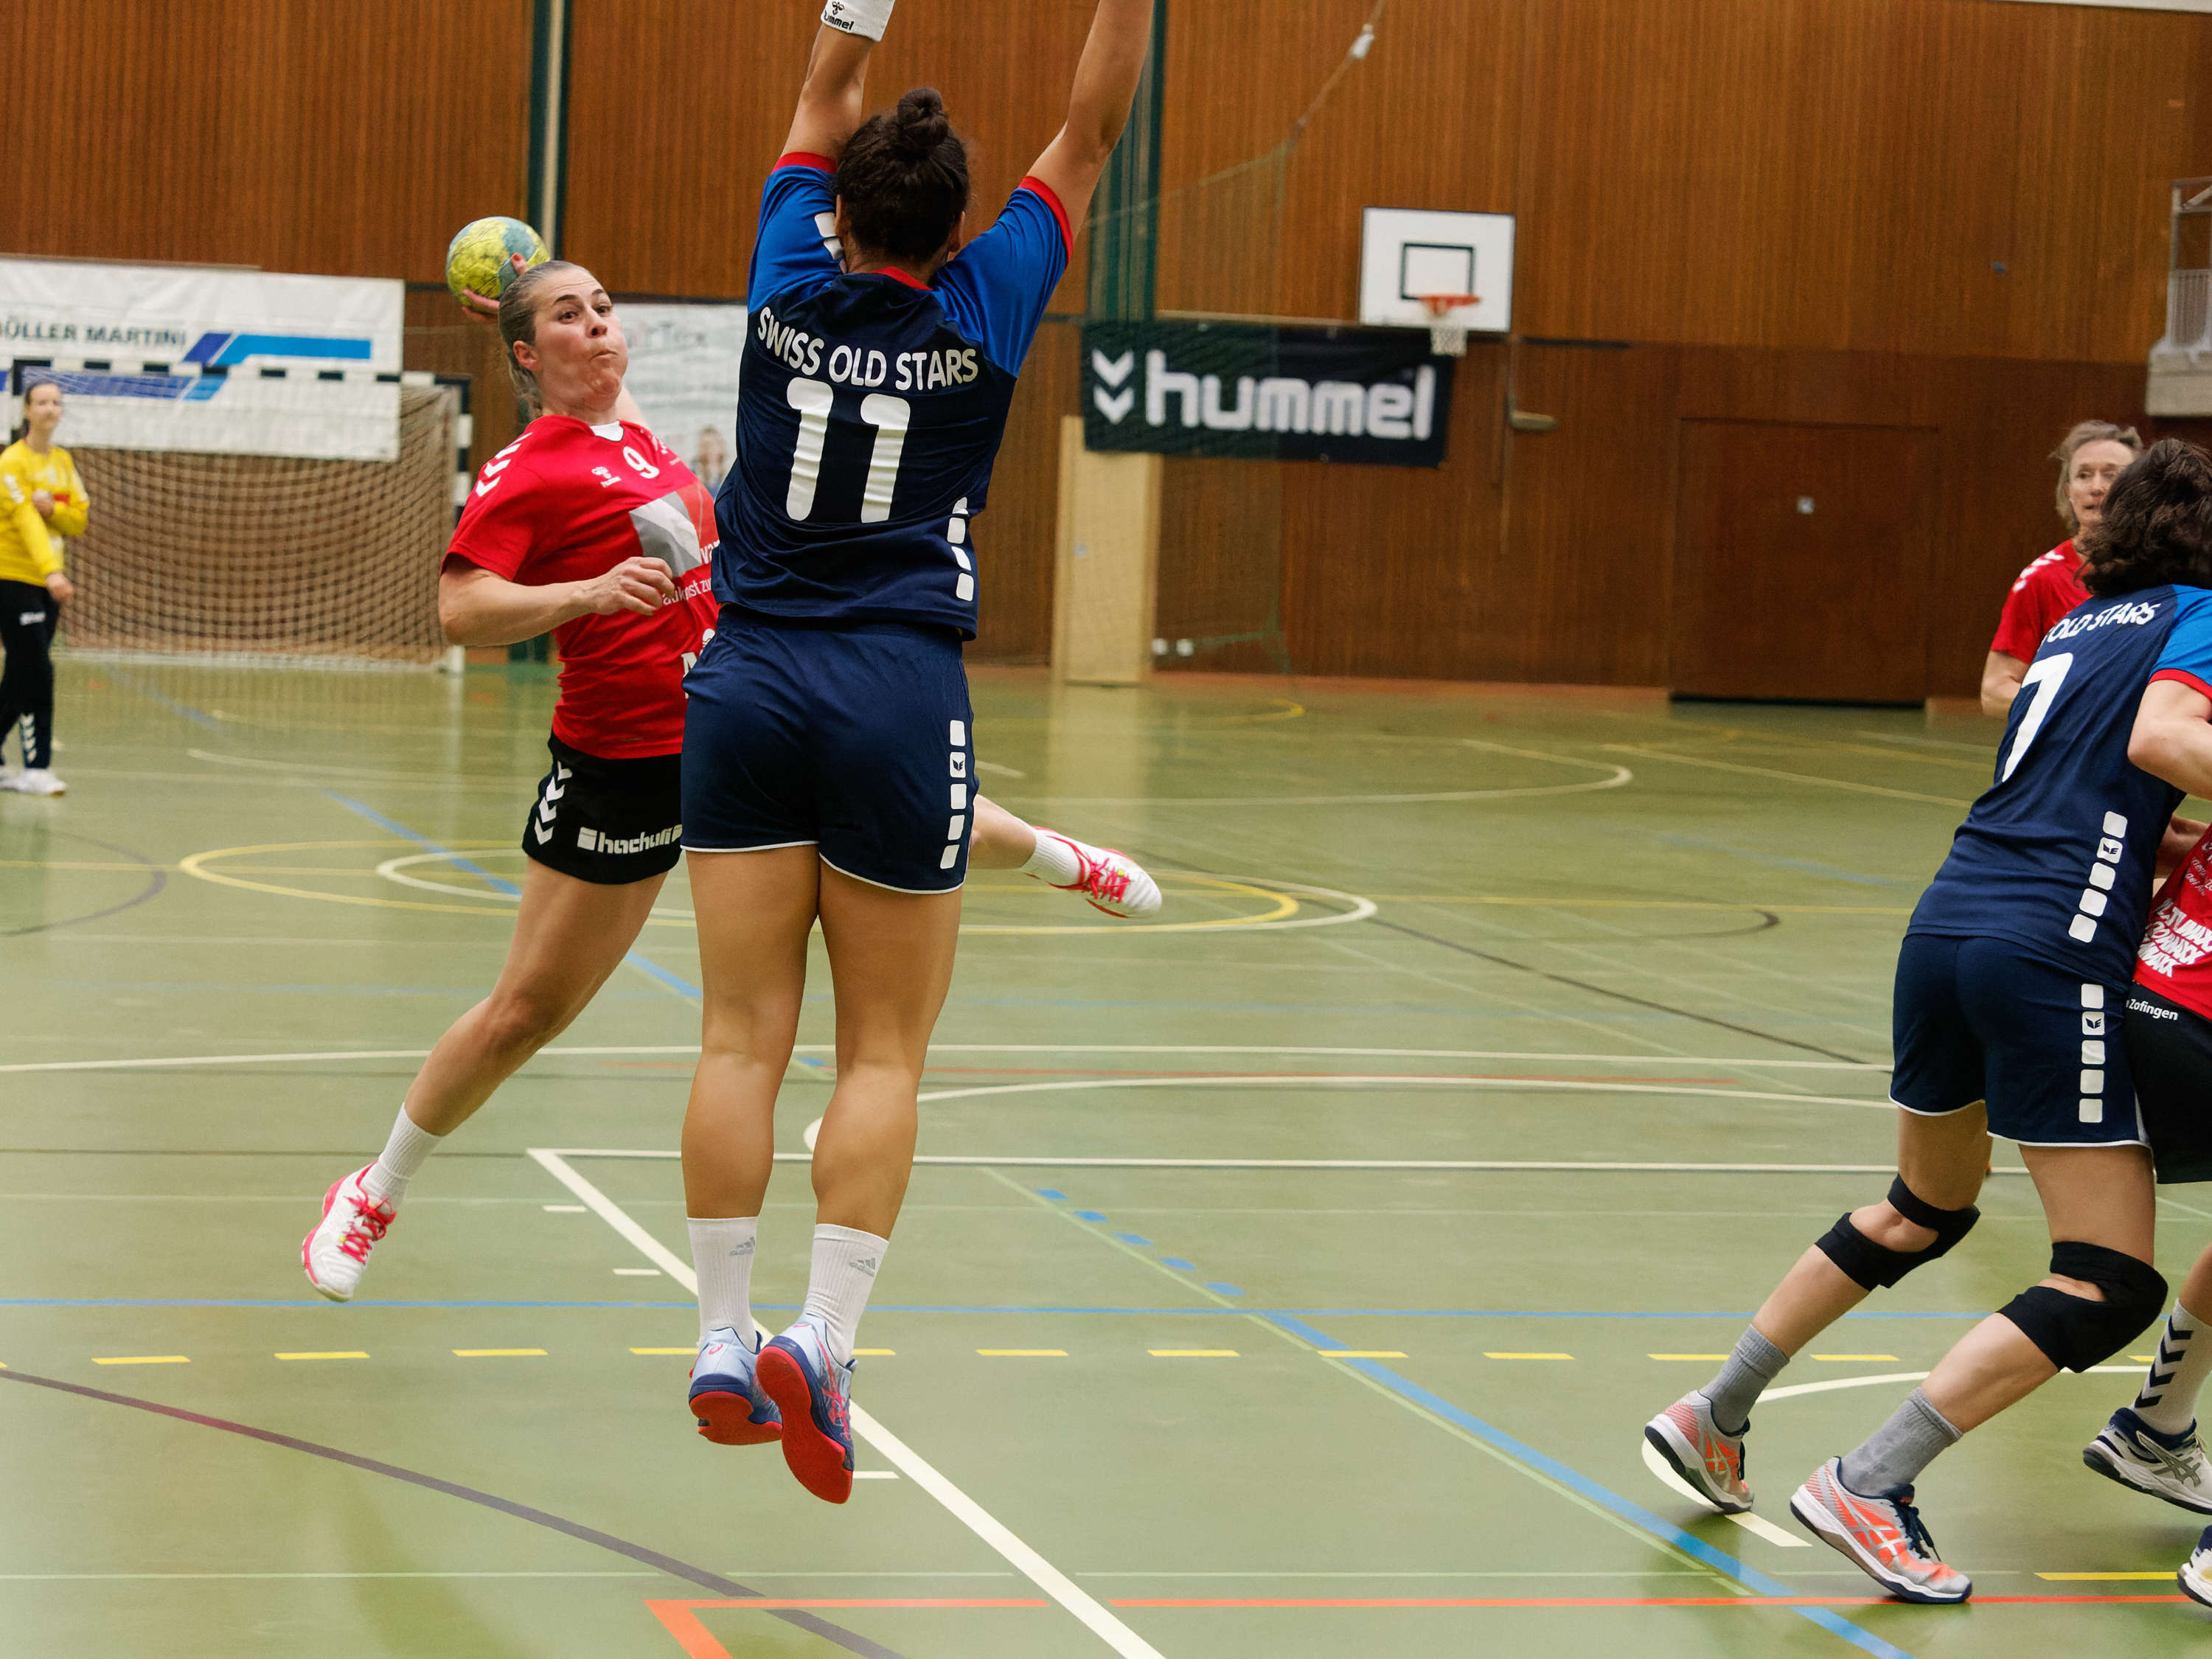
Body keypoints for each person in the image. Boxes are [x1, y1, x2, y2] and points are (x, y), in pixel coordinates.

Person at [673, 0, 1154, 1503]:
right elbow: (1090, 134)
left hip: (745, 678)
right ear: (952, 233)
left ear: (838, 209)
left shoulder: (781, 267)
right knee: (883, 1050)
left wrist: (857, 19)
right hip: (894, 689)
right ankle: (820, 1340)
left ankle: (714, 1337)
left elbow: (826, 82)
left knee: (738, 1037)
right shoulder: (989, 297)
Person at [1644, 439, 2212, 1603]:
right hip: (2050, 954)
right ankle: (1875, 1477)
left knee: (1923, 1207)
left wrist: (2163, 839)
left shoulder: (2078, 625)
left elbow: (2062, 782)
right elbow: (2162, 742)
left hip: (1948, 920)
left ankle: (1717, 1409)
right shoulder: (2200, 612)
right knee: (2109, 1278)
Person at [1980, 421, 2144, 716]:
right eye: (2084, 475)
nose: (2097, 487)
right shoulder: (2041, 579)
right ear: (2068, 491)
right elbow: (1995, 691)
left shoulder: (2169, 572)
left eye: (2112, 475)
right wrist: (2079, 711)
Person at [0, 375, 87, 796]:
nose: (51, 409)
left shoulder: (63, 463)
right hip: (13, 577)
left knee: (19, 674)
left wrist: (55, 507)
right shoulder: (12, 464)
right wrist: (52, 571)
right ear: (27, 410)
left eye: (57, 402)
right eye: (42, 402)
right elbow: (25, 521)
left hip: (46, 583)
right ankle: (37, 768)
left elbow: (78, 518)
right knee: (38, 670)